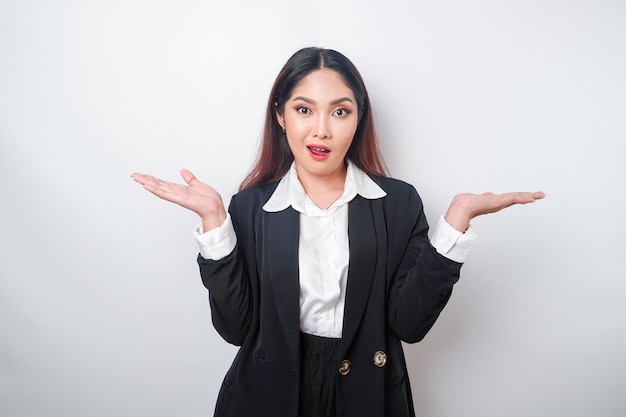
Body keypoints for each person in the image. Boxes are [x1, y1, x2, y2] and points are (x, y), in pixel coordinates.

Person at [131, 47, 544, 417]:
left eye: (340, 111)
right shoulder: (250, 207)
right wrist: (214, 222)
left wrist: (454, 225)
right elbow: (236, 329)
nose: (322, 130)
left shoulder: (397, 203)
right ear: (280, 114)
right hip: (267, 397)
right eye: (304, 109)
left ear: (358, 117)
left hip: (367, 391)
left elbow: (410, 324)